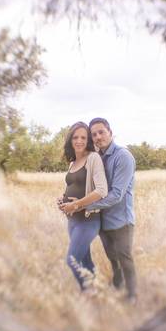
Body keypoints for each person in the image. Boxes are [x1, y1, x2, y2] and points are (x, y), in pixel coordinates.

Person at [61, 117, 137, 301]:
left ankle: (131, 295)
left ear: (110, 132)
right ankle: (116, 285)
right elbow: (88, 185)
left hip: (121, 220)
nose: (97, 137)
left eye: (101, 132)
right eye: (94, 134)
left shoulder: (123, 156)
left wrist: (82, 206)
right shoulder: (98, 156)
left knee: (124, 257)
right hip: (103, 219)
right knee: (112, 257)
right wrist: (68, 201)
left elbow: (116, 194)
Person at [58, 122, 108, 292]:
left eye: (83, 137)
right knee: (85, 260)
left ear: (88, 140)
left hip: (88, 220)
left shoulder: (93, 158)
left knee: (72, 260)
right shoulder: (72, 162)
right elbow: (72, 187)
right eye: (75, 137)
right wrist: (63, 200)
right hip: (72, 220)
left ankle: (89, 292)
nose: (79, 140)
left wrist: (76, 204)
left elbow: (102, 190)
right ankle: (95, 290)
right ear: (70, 139)